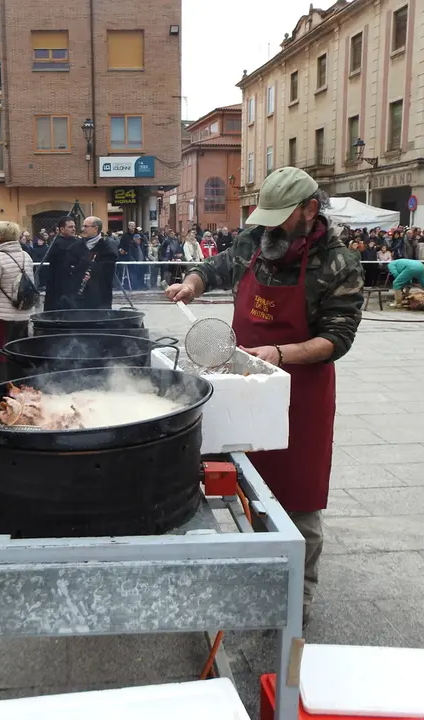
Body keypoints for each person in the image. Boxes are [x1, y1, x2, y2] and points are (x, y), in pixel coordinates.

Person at [165, 167, 363, 626]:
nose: (269, 227)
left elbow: (338, 338)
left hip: (302, 392)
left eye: (281, 218)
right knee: (245, 480)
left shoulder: (338, 264)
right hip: (243, 379)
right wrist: (191, 284)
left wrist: (278, 352)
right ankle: (256, 565)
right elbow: (214, 269)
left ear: (310, 210)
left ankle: (299, 592)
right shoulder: (254, 242)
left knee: (299, 495)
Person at [0, 221, 37, 383]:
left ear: (0, 237)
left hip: (2, 316)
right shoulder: (26, 255)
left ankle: (2, 388)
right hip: (23, 314)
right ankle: (19, 386)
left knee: (0, 353)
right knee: (17, 351)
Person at [42, 216, 116, 310]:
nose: (82, 229)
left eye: (86, 226)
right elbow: (67, 270)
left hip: (97, 303)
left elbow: (107, 276)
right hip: (76, 302)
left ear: (95, 229)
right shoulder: (75, 246)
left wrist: (93, 271)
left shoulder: (107, 250)